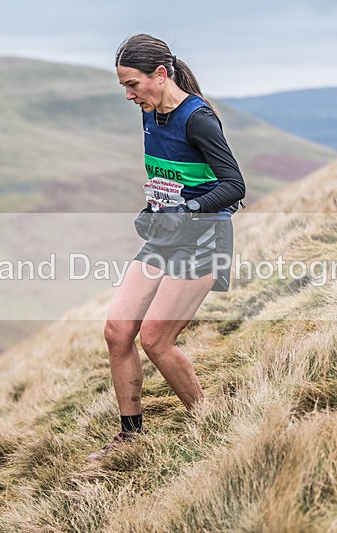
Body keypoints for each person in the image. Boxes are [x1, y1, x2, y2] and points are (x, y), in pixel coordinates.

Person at [88, 34, 246, 461]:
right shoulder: (149, 113)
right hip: (165, 236)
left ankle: (211, 426)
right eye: (123, 85)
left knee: (156, 339)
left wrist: (188, 207)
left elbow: (234, 186)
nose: (128, 94)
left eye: (132, 84)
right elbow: (173, 178)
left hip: (203, 238)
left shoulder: (198, 119)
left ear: (160, 75)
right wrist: (154, 206)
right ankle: (130, 436)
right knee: (117, 330)